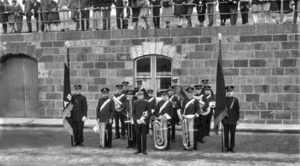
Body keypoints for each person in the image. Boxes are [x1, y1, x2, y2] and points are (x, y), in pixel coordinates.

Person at [222, 85, 240, 153]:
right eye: (228, 92)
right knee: (226, 134)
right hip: (226, 120)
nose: (229, 93)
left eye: (231, 92)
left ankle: (232, 147)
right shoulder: (224, 100)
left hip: (233, 120)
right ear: (226, 92)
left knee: (233, 134)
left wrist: (237, 119)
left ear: (233, 92)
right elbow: (221, 110)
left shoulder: (235, 100)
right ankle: (226, 147)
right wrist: (222, 120)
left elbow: (237, 110)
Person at [132, 90, 150, 155]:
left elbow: (149, 112)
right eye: (139, 95)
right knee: (138, 136)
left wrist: (144, 119)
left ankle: (144, 150)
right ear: (137, 96)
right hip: (137, 122)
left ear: (143, 96)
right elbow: (133, 112)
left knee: (144, 136)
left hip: (144, 122)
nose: (140, 96)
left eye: (141, 95)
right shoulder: (135, 102)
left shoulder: (147, 102)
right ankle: (138, 149)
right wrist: (136, 120)